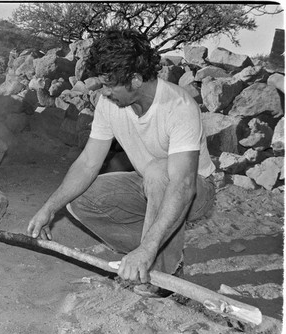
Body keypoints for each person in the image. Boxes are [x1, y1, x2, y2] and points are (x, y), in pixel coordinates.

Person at [27, 29, 216, 296]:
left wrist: (149, 248)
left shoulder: (179, 106)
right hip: (149, 184)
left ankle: (159, 272)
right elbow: (87, 164)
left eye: (109, 84)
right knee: (80, 200)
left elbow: (183, 185)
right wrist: (49, 208)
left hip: (195, 191)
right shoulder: (110, 104)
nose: (103, 92)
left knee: (158, 172)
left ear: (136, 79)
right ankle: (152, 249)